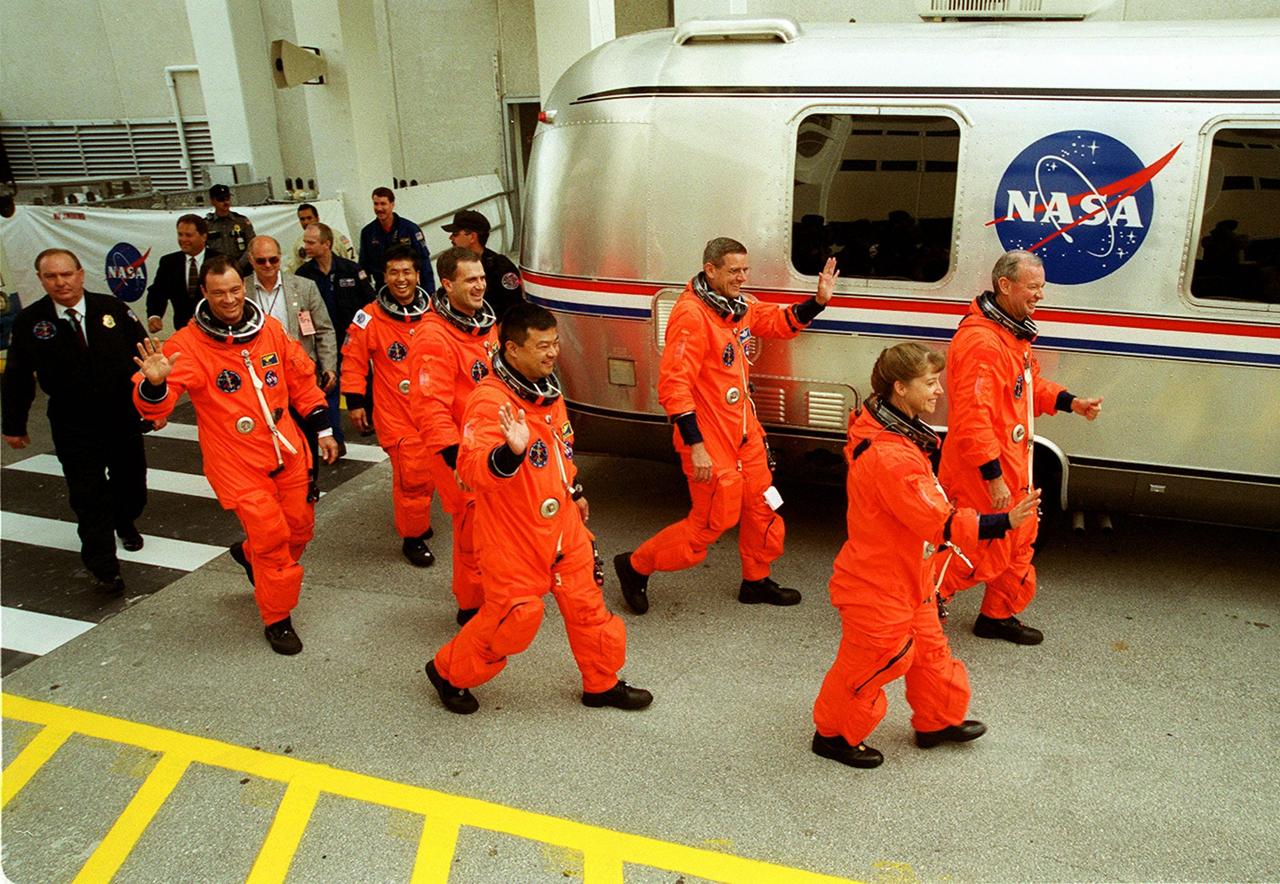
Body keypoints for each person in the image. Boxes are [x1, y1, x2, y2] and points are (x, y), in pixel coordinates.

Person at [811, 343, 1041, 769]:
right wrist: (1004, 522)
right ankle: (833, 735)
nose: (939, 392)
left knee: (932, 652)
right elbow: (939, 521)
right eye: (930, 384)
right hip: (878, 583)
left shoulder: (895, 432)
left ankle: (936, 721)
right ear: (900, 388)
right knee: (871, 664)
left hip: (908, 574)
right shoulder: (891, 455)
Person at [424, 303, 650, 715]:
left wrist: (576, 489)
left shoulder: (547, 389)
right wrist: (510, 453)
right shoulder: (490, 401)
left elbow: (561, 452)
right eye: (542, 346)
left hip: (562, 526)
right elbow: (472, 470)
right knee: (515, 619)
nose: (552, 353)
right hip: (513, 536)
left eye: (556, 342)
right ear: (512, 349)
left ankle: (601, 684)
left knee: (589, 609)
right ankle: (447, 671)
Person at [614, 238, 837, 614]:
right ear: (710, 269)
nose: (742, 278)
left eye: (745, 270)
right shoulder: (692, 315)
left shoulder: (738, 307)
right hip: (709, 438)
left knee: (763, 507)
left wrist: (817, 302)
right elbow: (674, 385)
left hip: (745, 432)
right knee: (709, 525)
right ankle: (635, 565)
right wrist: (695, 445)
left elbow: (776, 321)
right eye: (734, 271)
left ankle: (755, 579)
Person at [131, 255, 339, 654]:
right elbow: (154, 406)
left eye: (234, 290)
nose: (228, 300)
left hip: (288, 451)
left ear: (244, 288)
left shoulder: (270, 331)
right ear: (204, 295)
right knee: (273, 539)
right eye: (218, 293)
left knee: (300, 529)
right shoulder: (187, 346)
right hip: (236, 462)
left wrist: (325, 429)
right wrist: (154, 385)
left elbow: (301, 380)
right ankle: (277, 617)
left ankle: (248, 556)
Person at [937, 250, 1103, 644]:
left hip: (1014, 462)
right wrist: (992, 476)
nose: (1040, 295)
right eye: (1033, 287)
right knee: (971, 546)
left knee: (1019, 540)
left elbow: (1028, 390)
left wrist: (1071, 401)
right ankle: (924, 606)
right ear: (1005, 286)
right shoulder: (981, 342)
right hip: (982, 468)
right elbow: (972, 419)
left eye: (1041, 287)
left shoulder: (1012, 335)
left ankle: (997, 615)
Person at [2, 249, 151, 594]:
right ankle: (103, 565)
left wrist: (152, 408)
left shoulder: (112, 310)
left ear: (81, 274)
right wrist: (14, 424)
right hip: (73, 422)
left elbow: (145, 359)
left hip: (121, 416)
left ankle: (125, 519)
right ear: (41, 280)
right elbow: (18, 376)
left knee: (132, 485)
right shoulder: (31, 323)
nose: (61, 282)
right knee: (87, 494)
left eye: (66, 274)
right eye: (51, 276)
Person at [408, 246, 499, 624]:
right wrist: (455, 459)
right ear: (447, 284)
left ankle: (490, 594)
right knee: (473, 534)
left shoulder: (484, 324)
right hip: (458, 454)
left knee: (493, 529)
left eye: (481, 278)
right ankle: (471, 607)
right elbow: (429, 407)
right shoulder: (434, 337)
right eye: (470, 280)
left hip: (490, 446)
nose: (479, 286)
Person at [339, 245, 436, 567]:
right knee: (411, 476)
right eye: (394, 272)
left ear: (418, 275)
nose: (401, 279)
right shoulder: (369, 317)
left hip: (433, 411)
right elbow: (353, 360)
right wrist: (354, 401)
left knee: (429, 472)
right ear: (385, 276)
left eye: (407, 271)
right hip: (396, 413)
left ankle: (417, 518)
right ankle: (413, 537)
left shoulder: (434, 312)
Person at [247, 235, 338, 491]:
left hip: (300, 375)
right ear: (252, 260)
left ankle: (308, 482)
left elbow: (324, 329)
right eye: (261, 260)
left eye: (273, 259)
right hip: (260, 383)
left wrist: (328, 365)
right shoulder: (241, 290)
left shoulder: (303, 287)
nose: (268, 265)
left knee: (308, 432)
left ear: (280, 258)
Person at [296, 222, 375, 455]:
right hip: (322, 342)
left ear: (326, 244)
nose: (306, 246)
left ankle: (366, 419)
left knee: (362, 380)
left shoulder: (350, 269)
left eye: (311, 242)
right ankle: (335, 438)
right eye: (306, 241)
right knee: (327, 387)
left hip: (351, 337)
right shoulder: (303, 276)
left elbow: (369, 303)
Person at [442, 209, 523, 320]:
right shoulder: (453, 264)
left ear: (472, 237)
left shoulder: (500, 267)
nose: (451, 238)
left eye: (455, 234)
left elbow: (515, 306)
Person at [145, 214, 218, 335]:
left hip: (215, 331)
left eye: (188, 235)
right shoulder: (168, 262)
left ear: (204, 236)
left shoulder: (220, 261)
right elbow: (158, 292)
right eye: (180, 234)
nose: (183, 239)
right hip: (184, 332)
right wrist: (154, 315)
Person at [359, 187, 434, 292]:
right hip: (383, 289)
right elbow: (363, 266)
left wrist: (429, 293)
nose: (379, 208)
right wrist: (368, 294)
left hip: (408, 288)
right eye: (376, 204)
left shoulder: (410, 229)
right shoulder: (367, 232)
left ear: (392, 204)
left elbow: (424, 262)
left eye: (383, 204)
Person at [285, 203, 354, 273]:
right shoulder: (299, 243)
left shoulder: (336, 236)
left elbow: (351, 259)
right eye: (302, 219)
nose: (306, 222)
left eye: (309, 218)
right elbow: (293, 268)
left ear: (317, 218)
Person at [204, 184, 256, 272]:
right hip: (217, 269)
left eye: (227, 198)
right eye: (221, 199)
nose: (225, 202)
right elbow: (202, 249)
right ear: (212, 201)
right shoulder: (206, 224)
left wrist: (239, 265)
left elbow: (252, 245)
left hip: (242, 267)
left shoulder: (241, 221)